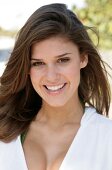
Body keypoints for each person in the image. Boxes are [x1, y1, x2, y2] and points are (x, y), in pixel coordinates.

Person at [0, 3, 112, 170]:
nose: (51, 76)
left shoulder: (106, 138)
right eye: (38, 63)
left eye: (62, 60)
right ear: (27, 69)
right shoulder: (5, 132)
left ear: (83, 58)